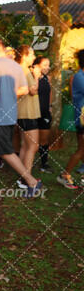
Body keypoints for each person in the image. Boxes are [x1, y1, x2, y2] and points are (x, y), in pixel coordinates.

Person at [0, 39, 42, 197]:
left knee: (6, 151)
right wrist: (8, 95)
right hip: (10, 114)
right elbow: (23, 89)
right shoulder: (16, 65)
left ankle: (32, 181)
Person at [57, 49, 84, 189]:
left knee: (82, 149)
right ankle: (64, 175)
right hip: (82, 118)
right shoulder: (80, 77)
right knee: (81, 149)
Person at [15, 45, 41, 186]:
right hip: (27, 113)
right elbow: (32, 90)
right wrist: (36, 77)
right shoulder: (24, 71)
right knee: (32, 146)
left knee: (26, 145)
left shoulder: (21, 70)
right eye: (31, 54)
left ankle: (23, 177)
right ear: (24, 56)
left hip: (24, 112)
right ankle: (27, 178)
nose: (34, 57)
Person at [32, 56, 53, 172]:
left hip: (45, 113)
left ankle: (44, 164)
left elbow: (50, 93)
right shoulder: (31, 78)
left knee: (44, 139)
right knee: (31, 142)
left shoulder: (48, 78)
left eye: (48, 65)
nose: (48, 67)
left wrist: (50, 107)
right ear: (37, 65)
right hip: (33, 112)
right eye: (45, 65)